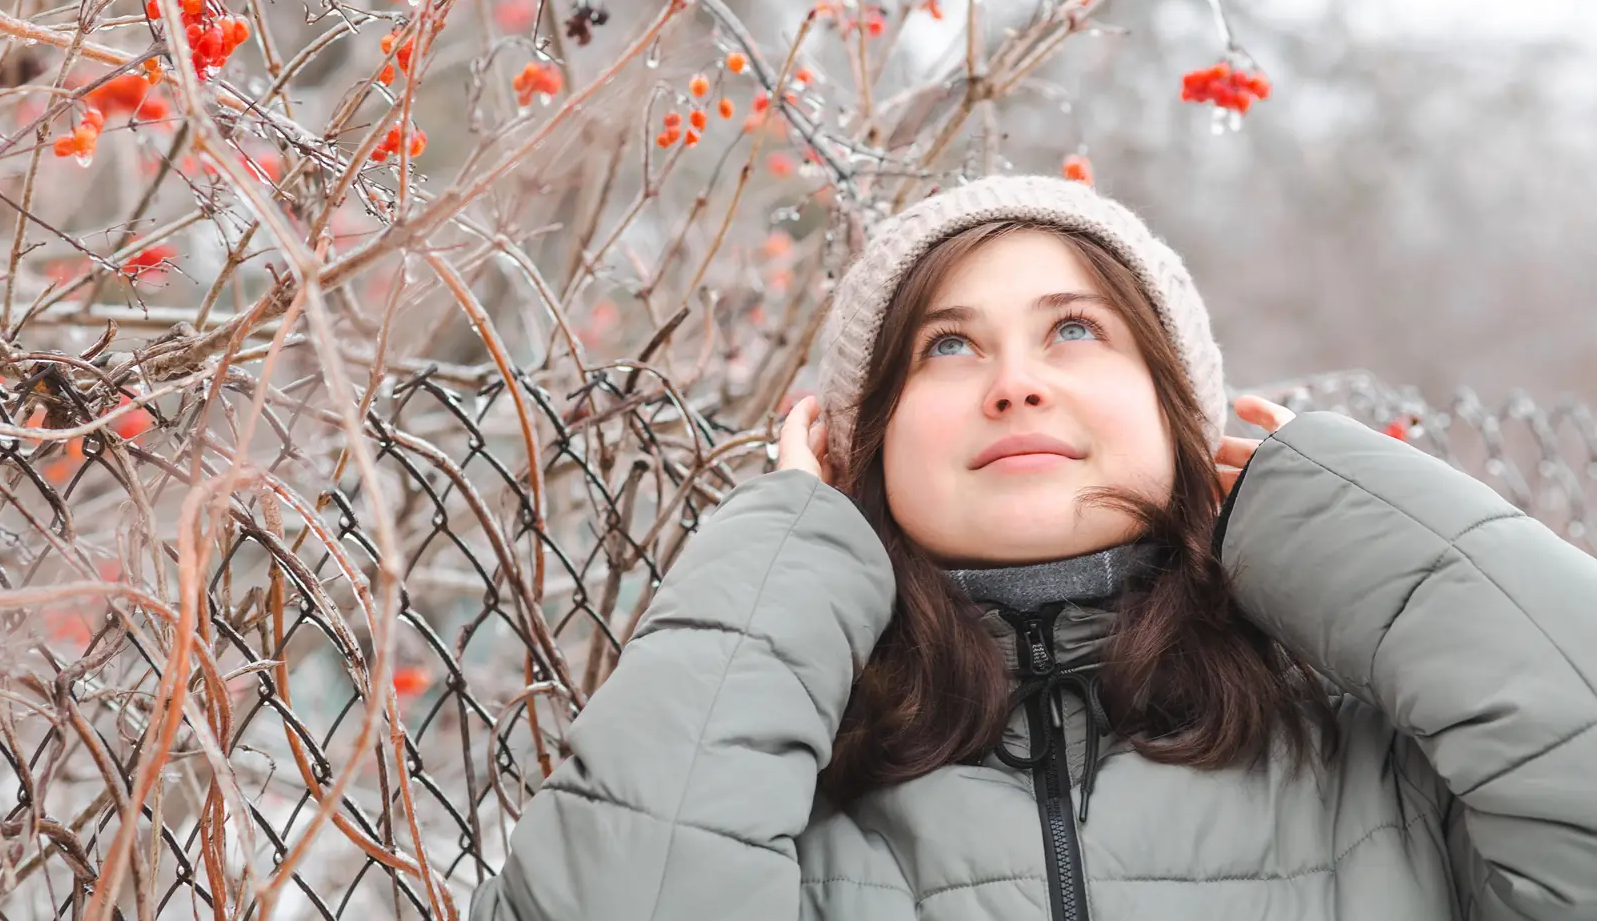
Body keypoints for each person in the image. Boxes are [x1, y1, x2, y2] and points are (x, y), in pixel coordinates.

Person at [467, 175, 1597, 920]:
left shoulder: (1379, 773)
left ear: (1181, 416)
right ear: (862, 445)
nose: (1016, 382)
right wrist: (784, 556)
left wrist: (1343, 511)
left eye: (1074, 328)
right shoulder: (779, 785)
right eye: (948, 345)